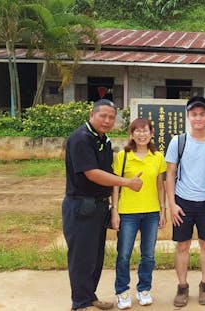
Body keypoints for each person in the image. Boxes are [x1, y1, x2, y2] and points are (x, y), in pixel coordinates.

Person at [62, 99, 143, 311]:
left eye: (111, 117)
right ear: (92, 115)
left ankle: (89, 297)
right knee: (82, 257)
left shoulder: (103, 140)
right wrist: (127, 183)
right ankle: (80, 303)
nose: (107, 121)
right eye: (103, 116)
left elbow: (108, 171)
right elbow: (93, 173)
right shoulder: (81, 138)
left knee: (95, 257)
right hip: (81, 206)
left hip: (98, 206)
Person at [165, 96, 205, 307]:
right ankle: (182, 287)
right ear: (188, 116)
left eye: (202, 114)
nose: (198, 118)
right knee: (182, 246)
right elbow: (170, 174)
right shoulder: (178, 141)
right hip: (183, 202)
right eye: (194, 114)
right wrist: (172, 204)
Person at [111, 118, 167, 309]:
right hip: (128, 213)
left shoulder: (158, 157)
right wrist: (115, 211)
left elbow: (160, 185)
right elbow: (116, 185)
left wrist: (163, 209)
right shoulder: (123, 156)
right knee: (124, 254)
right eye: (137, 131)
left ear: (152, 134)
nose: (141, 134)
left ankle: (144, 289)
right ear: (131, 134)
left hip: (151, 213)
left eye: (145, 131)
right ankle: (122, 291)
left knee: (148, 255)